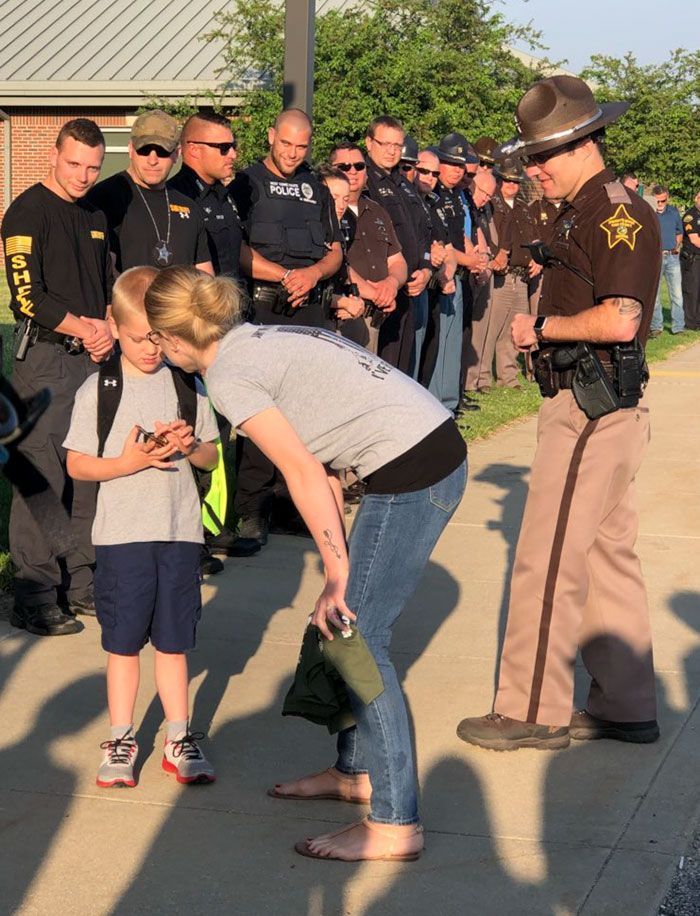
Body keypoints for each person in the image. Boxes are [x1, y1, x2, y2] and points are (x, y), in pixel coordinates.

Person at [143, 265, 467, 862]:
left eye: (157, 341)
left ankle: (396, 824)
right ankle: (355, 771)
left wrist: (337, 571)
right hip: (421, 450)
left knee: (356, 638)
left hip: (416, 469)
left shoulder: (230, 375)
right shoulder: (255, 338)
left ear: (174, 339)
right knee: (344, 626)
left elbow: (302, 472)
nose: (157, 351)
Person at [457, 75, 662, 751]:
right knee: (606, 558)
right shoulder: (588, 208)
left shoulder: (614, 212)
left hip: (588, 403)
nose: (534, 169)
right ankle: (624, 702)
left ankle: (529, 709)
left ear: (583, 144)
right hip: (599, 403)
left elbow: (623, 318)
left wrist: (543, 330)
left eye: (544, 156)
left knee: (546, 561)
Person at [64, 267, 219, 788]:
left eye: (158, 338)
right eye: (137, 338)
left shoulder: (187, 385)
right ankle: (123, 735)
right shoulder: (99, 388)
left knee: (175, 644)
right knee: (123, 643)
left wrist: (188, 446)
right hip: (122, 537)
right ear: (113, 323)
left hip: (178, 534)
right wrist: (127, 463)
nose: (150, 349)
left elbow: (211, 459)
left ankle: (179, 737)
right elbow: (77, 464)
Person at [1, 118, 114, 636]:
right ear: (53, 154)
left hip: (92, 359)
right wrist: (87, 329)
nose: (84, 176)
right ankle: (35, 591)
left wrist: (109, 327)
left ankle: (80, 581)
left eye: (93, 167)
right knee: (41, 476)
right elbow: (28, 297)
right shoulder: (27, 212)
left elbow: (107, 283)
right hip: (46, 361)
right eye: (74, 164)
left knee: (85, 473)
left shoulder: (94, 212)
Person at [228, 108, 342, 550]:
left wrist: (312, 275)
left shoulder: (316, 187)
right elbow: (231, 247)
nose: (293, 153)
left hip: (309, 309)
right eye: (286, 143)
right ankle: (252, 510)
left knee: (304, 412)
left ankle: (292, 505)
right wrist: (282, 275)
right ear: (272, 136)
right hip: (264, 310)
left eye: (302, 145)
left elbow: (334, 252)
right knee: (262, 413)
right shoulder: (245, 183)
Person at [87, 110, 214, 275]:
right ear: (131, 149)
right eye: (144, 150)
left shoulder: (189, 207)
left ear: (177, 154)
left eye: (162, 152)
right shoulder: (101, 199)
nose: (152, 160)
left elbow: (205, 275)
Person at [364, 116, 433, 373]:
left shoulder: (405, 184)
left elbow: (424, 231)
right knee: (380, 368)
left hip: (411, 289)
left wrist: (426, 268)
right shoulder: (363, 180)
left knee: (403, 368)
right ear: (369, 143)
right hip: (382, 290)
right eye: (385, 144)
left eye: (397, 145)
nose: (392, 151)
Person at [328, 143, 407, 353]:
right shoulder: (326, 210)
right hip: (343, 313)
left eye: (359, 166)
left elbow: (397, 260)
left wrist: (391, 284)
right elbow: (336, 261)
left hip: (375, 315)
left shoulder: (377, 210)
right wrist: (374, 292)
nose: (352, 172)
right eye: (344, 167)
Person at [427, 133, 484, 413]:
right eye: (452, 164)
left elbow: (460, 236)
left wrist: (475, 257)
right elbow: (445, 245)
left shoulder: (452, 195)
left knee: (452, 344)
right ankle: (439, 405)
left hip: (457, 274)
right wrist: (471, 261)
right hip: (442, 275)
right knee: (440, 345)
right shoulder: (435, 193)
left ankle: (449, 405)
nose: (457, 171)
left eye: (461, 167)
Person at [472, 158, 541, 390]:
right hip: (500, 276)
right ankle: (482, 378)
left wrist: (535, 256)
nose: (512, 185)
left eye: (516, 181)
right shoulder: (493, 203)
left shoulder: (524, 208)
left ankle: (508, 377)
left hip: (520, 277)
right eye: (507, 180)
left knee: (512, 333)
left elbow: (533, 238)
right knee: (491, 330)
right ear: (500, 180)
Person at [168, 111, 244, 279]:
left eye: (234, 146)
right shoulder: (175, 197)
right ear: (194, 149)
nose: (233, 155)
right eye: (223, 148)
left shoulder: (224, 195)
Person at [316, 163, 367, 345]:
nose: (340, 205)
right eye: (334, 197)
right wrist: (341, 302)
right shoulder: (313, 232)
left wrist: (353, 302)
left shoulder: (339, 231)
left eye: (346, 199)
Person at [649, 185, 684, 336]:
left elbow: (679, 231)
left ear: (667, 199)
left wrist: (676, 246)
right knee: (655, 295)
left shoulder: (674, 212)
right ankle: (656, 326)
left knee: (676, 294)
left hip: (672, 257)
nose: (660, 204)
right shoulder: (649, 214)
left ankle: (678, 327)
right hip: (655, 258)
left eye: (663, 201)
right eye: (657, 201)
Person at [680, 189, 700, 331]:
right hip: (692, 260)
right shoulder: (690, 216)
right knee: (691, 291)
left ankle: (698, 321)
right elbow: (695, 240)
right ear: (697, 198)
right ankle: (690, 323)